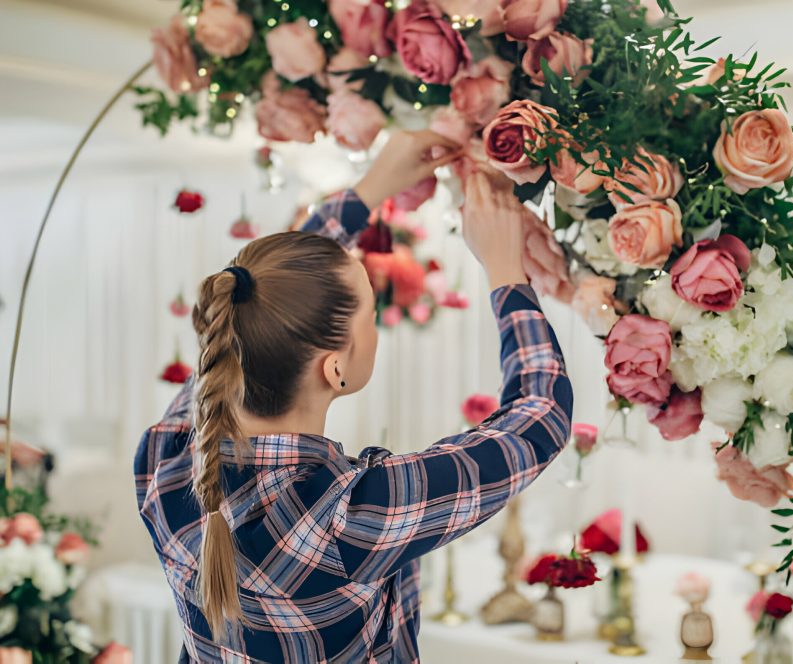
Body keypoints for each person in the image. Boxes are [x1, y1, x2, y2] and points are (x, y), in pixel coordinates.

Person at [134, 130, 574, 663]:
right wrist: (507, 269)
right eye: (370, 316)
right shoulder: (352, 518)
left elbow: (263, 293)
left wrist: (370, 188)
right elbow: (539, 419)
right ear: (335, 367)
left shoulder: (165, 457)